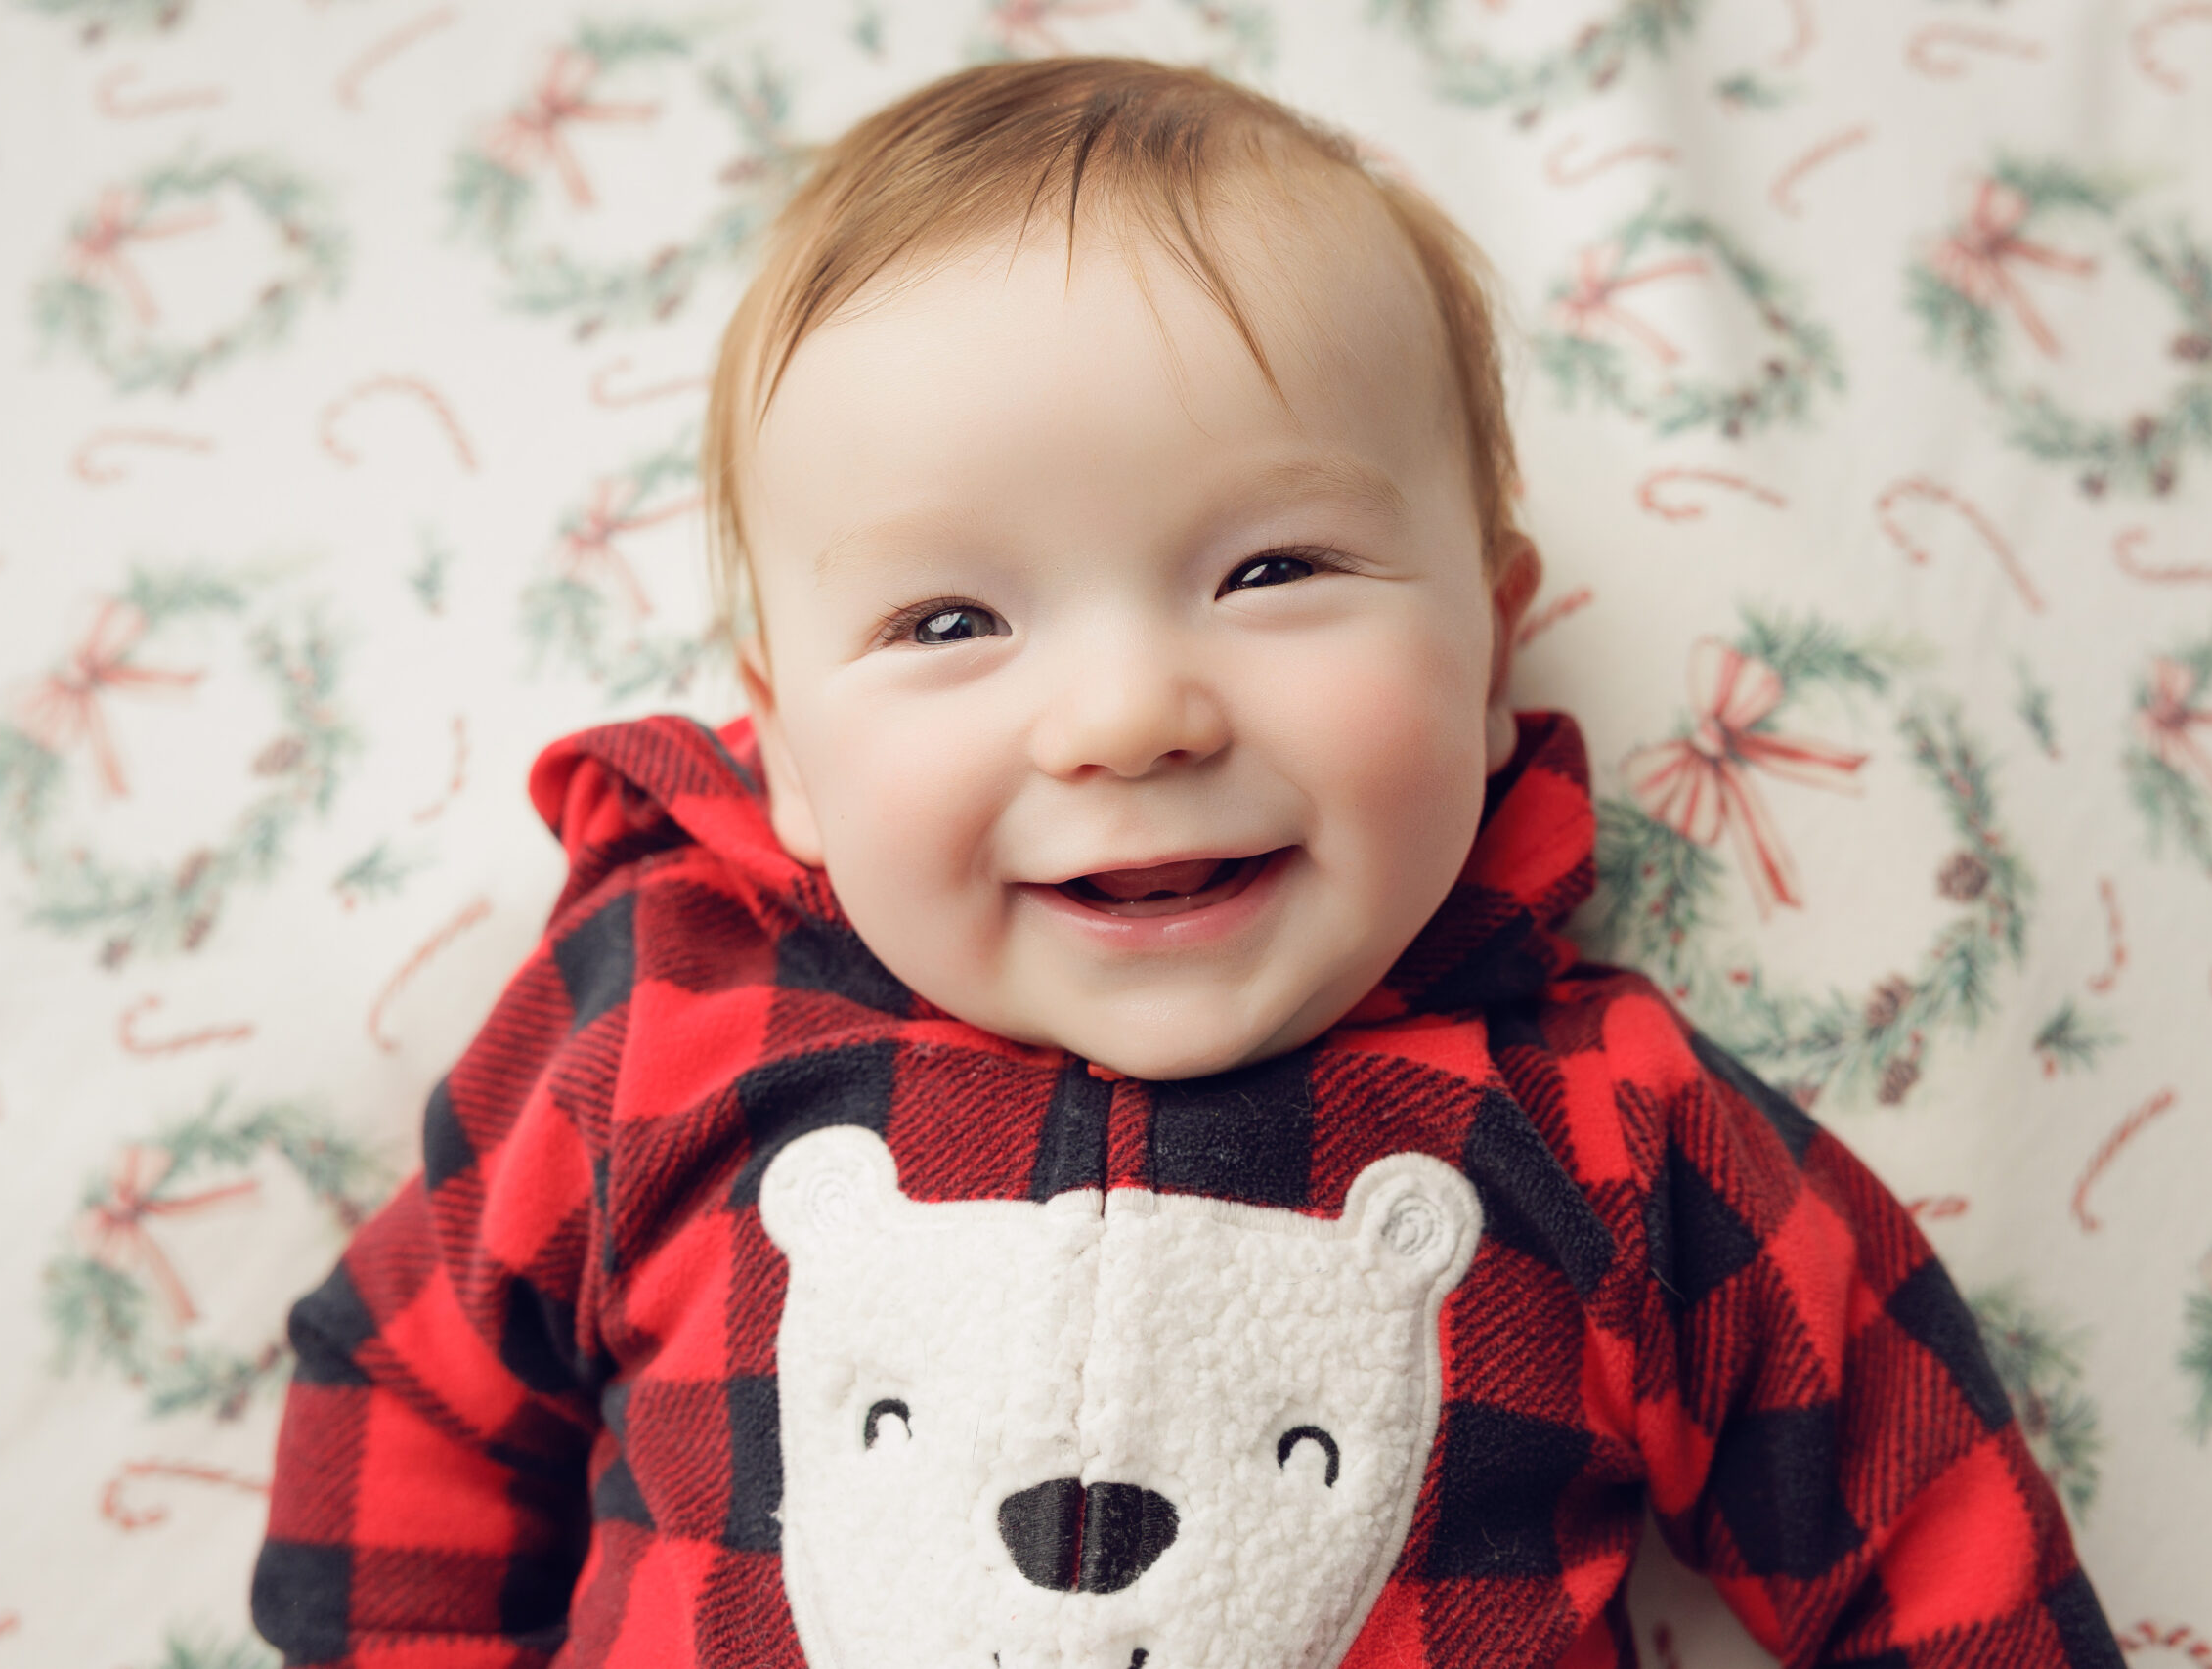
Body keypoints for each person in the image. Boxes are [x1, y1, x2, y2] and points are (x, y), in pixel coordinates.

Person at [252, 57, 2118, 1668]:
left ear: (1489, 653)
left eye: (1275, 572)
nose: (1128, 715)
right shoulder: (661, 1028)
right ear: (789, 753)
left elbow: (1920, 1523)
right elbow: (410, 1386)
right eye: (949, 619)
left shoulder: (1606, 1134)